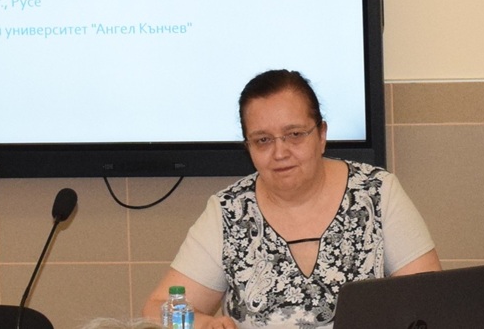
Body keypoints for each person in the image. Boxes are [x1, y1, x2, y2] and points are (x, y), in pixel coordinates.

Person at [146, 69, 441, 329]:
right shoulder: (229, 211)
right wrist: (203, 323)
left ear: (321, 134)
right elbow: (156, 309)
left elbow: (431, 304)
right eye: (263, 140)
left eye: (295, 134)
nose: (280, 153)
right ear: (248, 147)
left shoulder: (377, 192)